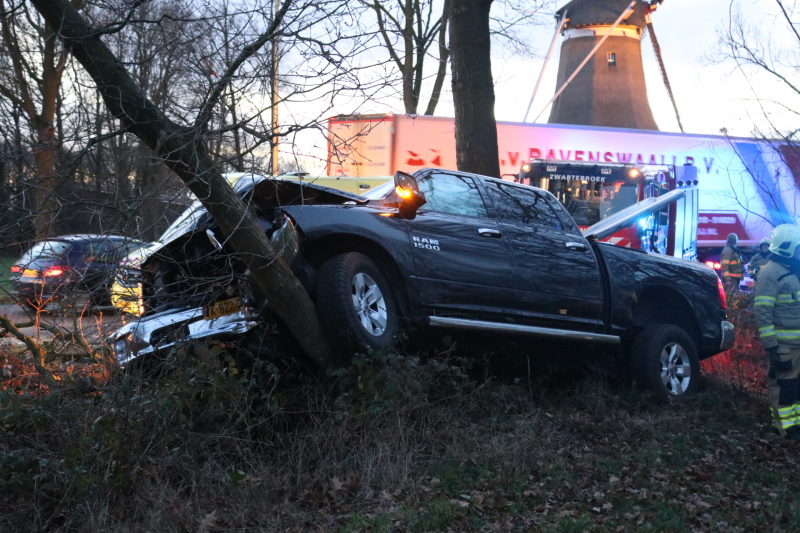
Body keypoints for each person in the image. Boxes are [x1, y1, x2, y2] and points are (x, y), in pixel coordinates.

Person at [754, 224, 800, 440]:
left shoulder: (794, 269)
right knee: (784, 386)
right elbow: (763, 311)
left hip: (797, 344)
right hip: (783, 345)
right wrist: (771, 343)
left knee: (797, 387)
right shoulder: (770, 273)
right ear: (788, 248)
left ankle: (797, 423)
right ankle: (785, 428)